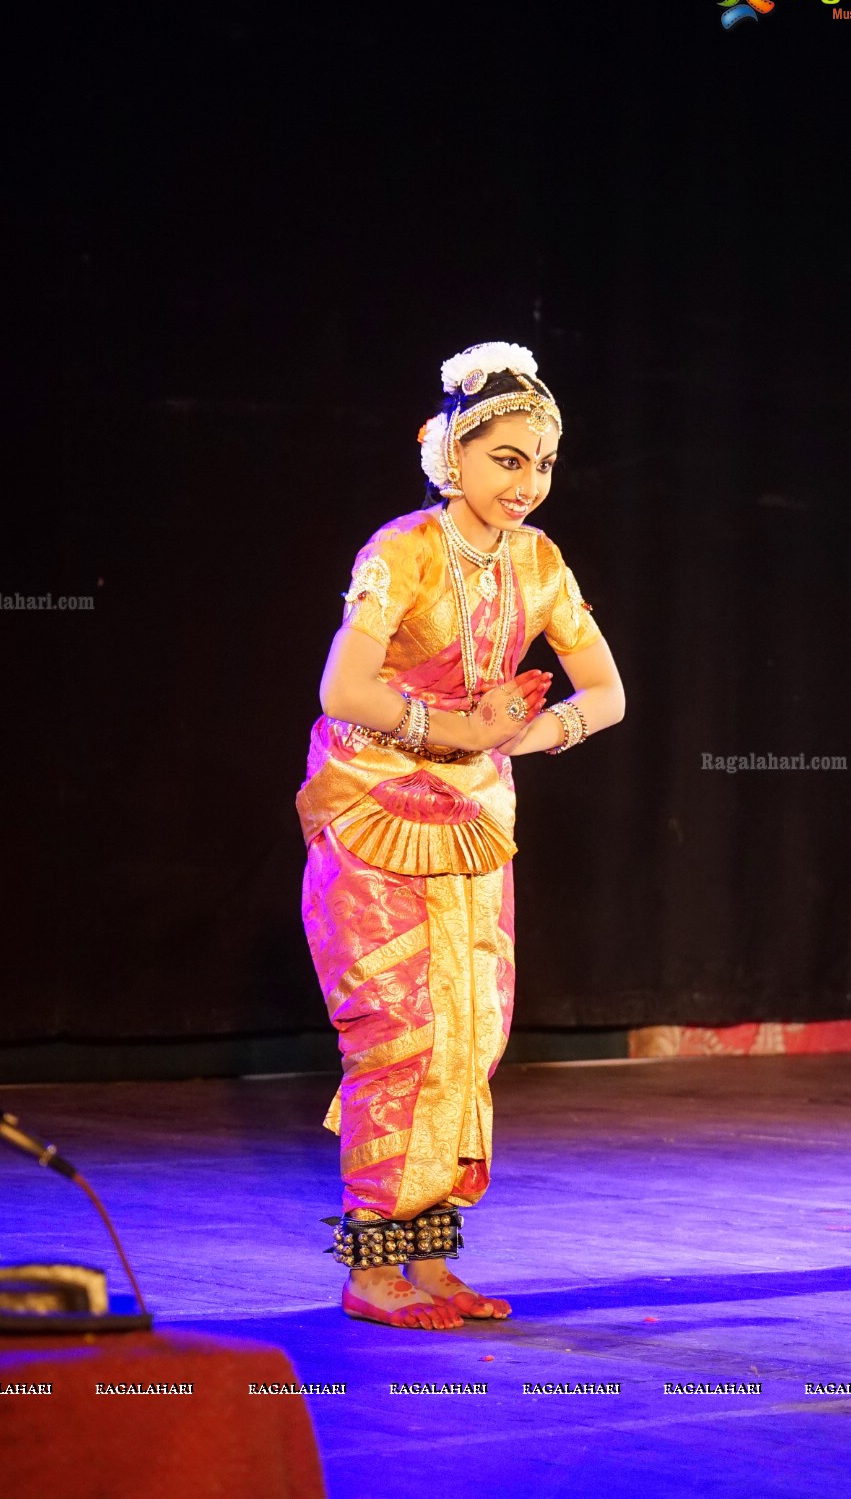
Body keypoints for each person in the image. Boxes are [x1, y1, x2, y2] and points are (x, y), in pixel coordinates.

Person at [297, 341, 625, 1329]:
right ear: (452, 454)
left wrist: (532, 731)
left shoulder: (541, 562)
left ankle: (430, 1261)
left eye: (544, 463)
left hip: (477, 815)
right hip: (371, 803)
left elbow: (608, 693)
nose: (529, 483)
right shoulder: (396, 552)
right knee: (399, 1031)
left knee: (470, 1035)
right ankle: (372, 1266)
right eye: (507, 459)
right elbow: (343, 689)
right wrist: (450, 730)